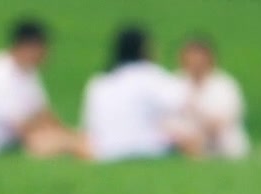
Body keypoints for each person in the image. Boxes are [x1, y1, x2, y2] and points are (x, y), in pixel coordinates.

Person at [0, 18, 85, 158]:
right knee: (45, 143)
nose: (48, 53)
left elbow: (43, 112)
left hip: (13, 141)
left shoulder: (28, 71)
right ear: (28, 47)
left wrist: (65, 133)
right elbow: (20, 126)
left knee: (61, 138)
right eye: (44, 47)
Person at [81, 25, 192, 163]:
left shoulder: (99, 82)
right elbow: (180, 101)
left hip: (104, 151)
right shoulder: (149, 74)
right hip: (147, 149)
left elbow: (89, 126)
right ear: (144, 49)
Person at [174, 36, 249, 159]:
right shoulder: (175, 83)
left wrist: (199, 136)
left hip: (221, 144)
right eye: (191, 57)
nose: (195, 62)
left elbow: (225, 119)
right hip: (183, 143)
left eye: (199, 58)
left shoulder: (224, 85)